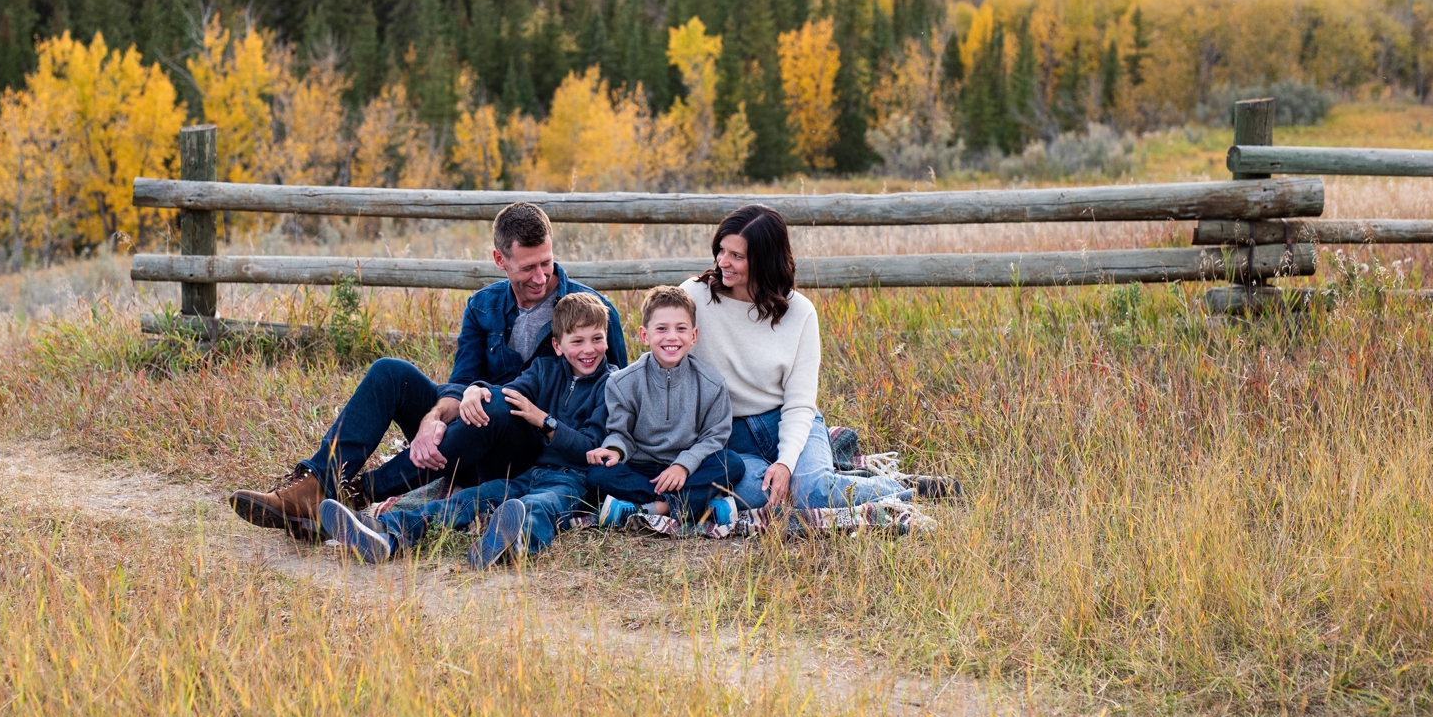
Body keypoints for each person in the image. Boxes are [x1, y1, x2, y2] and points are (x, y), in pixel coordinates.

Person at [229, 202, 628, 536]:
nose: (540, 277)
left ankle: (353, 496)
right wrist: (434, 418)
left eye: (546, 262)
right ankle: (317, 484)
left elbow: (618, 397)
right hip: (467, 435)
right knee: (391, 372)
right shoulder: (483, 306)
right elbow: (459, 381)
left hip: (531, 452)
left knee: (495, 406)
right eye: (527, 268)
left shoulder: (592, 311)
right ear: (499, 260)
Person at [680, 204, 957, 513]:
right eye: (721, 250)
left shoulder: (799, 312)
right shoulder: (694, 297)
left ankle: (903, 488)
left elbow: (800, 402)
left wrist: (785, 462)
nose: (722, 262)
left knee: (810, 493)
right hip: (728, 433)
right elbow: (666, 359)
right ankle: (841, 478)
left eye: (737, 256)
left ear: (764, 260)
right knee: (755, 496)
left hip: (785, 421)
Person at [318, 292, 616, 568]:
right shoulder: (544, 369)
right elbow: (506, 394)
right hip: (530, 471)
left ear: (607, 339)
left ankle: (510, 543)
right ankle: (387, 533)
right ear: (558, 345)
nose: (588, 349)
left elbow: (589, 448)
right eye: (577, 341)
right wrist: (477, 390)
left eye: (597, 339)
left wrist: (544, 420)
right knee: (468, 500)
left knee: (539, 506)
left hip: (572, 480)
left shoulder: (611, 385)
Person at [587, 286, 742, 529]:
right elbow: (620, 433)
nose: (671, 337)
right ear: (644, 335)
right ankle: (691, 506)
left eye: (681, 328)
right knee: (597, 474)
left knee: (731, 463)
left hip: (690, 469)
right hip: (641, 469)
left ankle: (653, 509)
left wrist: (683, 464)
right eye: (661, 329)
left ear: (694, 335)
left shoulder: (711, 383)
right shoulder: (621, 382)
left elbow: (715, 437)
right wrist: (614, 451)